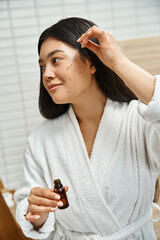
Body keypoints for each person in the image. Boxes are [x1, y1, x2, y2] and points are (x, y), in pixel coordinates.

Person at [14, 17, 160, 240]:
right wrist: (36, 212)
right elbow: (30, 207)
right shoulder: (40, 140)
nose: (47, 74)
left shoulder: (139, 120)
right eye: (42, 66)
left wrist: (117, 61)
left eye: (56, 60)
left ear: (92, 63)